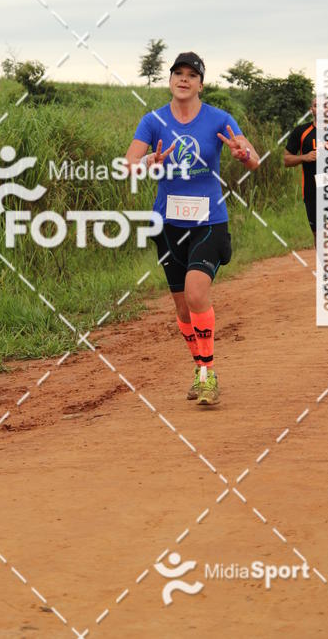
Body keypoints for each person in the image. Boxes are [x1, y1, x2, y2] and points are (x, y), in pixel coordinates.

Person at [125, 52, 260, 406]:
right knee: (183, 308)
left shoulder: (219, 119)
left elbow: (254, 158)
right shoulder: (152, 121)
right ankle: (200, 369)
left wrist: (241, 154)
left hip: (209, 222)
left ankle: (208, 374)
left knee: (197, 293)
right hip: (169, 224)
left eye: (191, 75)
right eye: (177, 73)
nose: (183, 80)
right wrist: (149, 162)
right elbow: (129, 165)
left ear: (201, 83)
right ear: (170, 80)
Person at [283, 98, 317, 244]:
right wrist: (305, 157)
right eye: (317, 105)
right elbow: (286, 159)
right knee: (319, 234)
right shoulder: (301, 131)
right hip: (311, 191)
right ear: (311, 110)